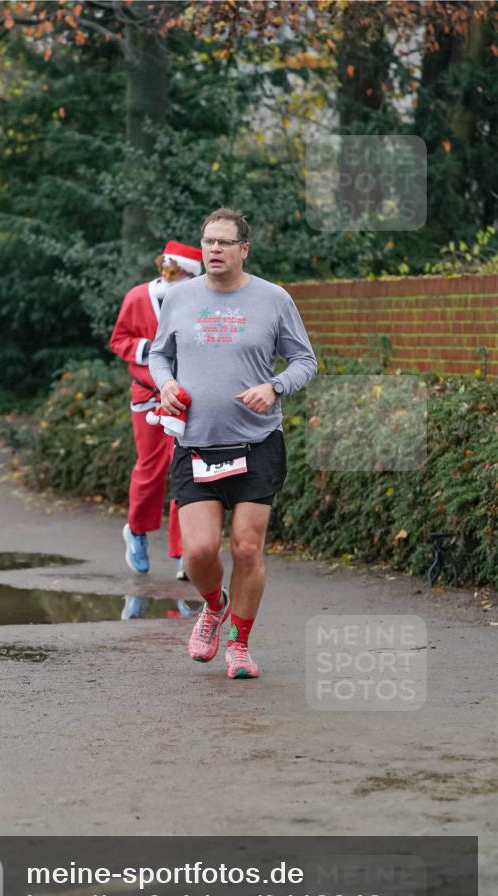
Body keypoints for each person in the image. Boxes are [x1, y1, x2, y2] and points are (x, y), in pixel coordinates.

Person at [149, 208, 317, 679]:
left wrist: (275, 387)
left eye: (225, 242)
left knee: (246, 548)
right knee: (198, 553)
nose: (215, 250)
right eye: (208, 242)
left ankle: (240, 646)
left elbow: (305, 360)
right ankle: (213, 604)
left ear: (244, 249)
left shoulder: (273, 299)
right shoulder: (180, 298)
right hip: (197, 443)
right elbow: (160, 355)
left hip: (257, 441)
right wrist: (164, 384)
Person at [110, 241, 203, 577]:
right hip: (148, 394)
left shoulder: (199, 301)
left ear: (190, 274)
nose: (167, 273)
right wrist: (148, 348)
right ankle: (136, 531)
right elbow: (118, 340)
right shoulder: (137, 297)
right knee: (149, 469)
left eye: (175, 269)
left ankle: (184, 551)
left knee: (184, 471)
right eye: (165, 267)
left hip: (185, 398)